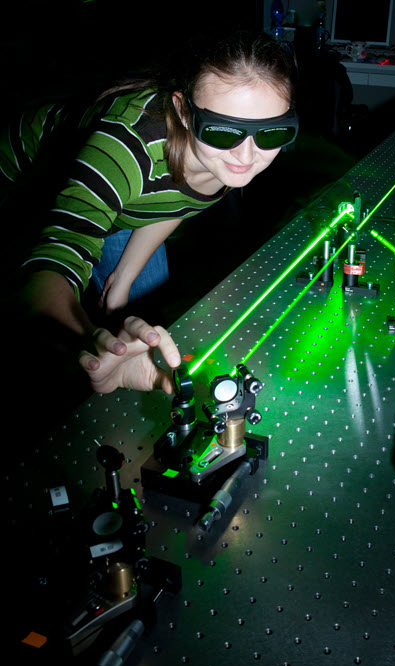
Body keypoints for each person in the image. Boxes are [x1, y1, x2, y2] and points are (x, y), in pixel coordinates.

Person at [1, 30, 298, 396]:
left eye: (272, 133)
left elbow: (177, 198)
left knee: (142, 304)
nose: (247, 155)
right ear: (183, 111)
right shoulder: (129, 147)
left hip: (133, 191)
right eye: (223, 132)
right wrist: (98, 351)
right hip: (29, 171)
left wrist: (123, 277)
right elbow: (55, 259)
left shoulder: (222, 157)